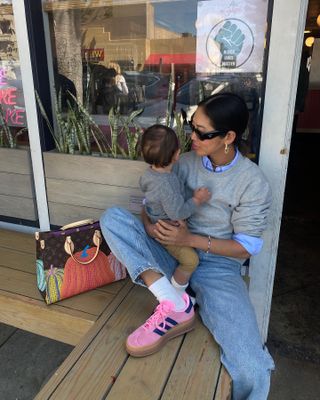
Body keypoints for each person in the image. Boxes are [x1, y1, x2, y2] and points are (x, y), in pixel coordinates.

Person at [100, 92, 275, 399]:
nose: (191, 137)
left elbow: (245, 248)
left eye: (201, 132)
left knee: (253, 369)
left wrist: (189, 240)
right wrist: (150, 226)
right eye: (190, 126)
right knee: (113, 218)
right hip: (170, 253)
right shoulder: (182, 162)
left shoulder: (252, 182)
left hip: (217, 268)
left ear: (229, 137)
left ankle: (174, 302)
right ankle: (173, 301)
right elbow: (148, 205)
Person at [139, 124, 211, 296]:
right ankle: (176, 294)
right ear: (176, 154)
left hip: (157, 223)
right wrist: (196, 200)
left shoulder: (148, 174)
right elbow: (177, 213)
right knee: (191, 261)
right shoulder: (167, 183)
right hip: (167, 232)